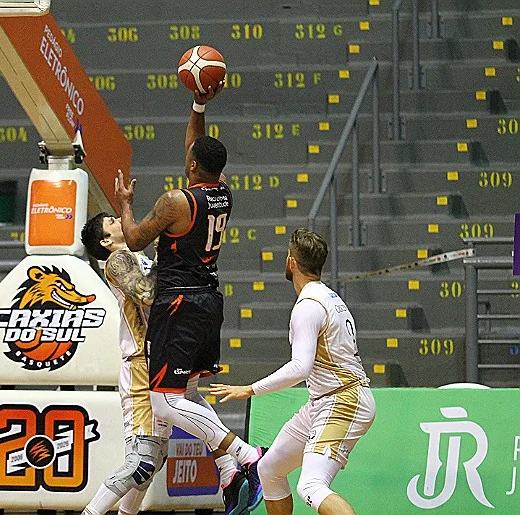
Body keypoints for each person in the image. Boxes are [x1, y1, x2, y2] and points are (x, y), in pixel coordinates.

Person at [114, 83, 264, 515]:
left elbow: (137, 240)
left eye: (188, 157)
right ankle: (227, 471)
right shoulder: (223, 193)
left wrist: (125, 204)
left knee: (162, 400)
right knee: (188, 396)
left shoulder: (174, 202)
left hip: (177, 305)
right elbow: (194, 144)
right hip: (209, 302)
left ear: (193, 165)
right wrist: (199, 104)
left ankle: (243, 453)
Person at [81, 213, 247, 515]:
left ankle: (229, 469)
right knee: (141, 461)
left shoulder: (137, 256)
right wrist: (167, 260)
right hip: (139, 366)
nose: (120, 219)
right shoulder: (117, 261)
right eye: (112, 221)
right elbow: (147, 295)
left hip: (160, 356)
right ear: (106, 240)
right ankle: (234, 462)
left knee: (153, 460)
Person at [209, 228, 376, 515]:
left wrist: (251, 389)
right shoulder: (329, 297)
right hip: (326, 399)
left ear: (291, 262)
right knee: (269, 468)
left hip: (342, 400)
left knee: (311, 485)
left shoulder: (308, 306)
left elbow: (301, 367)